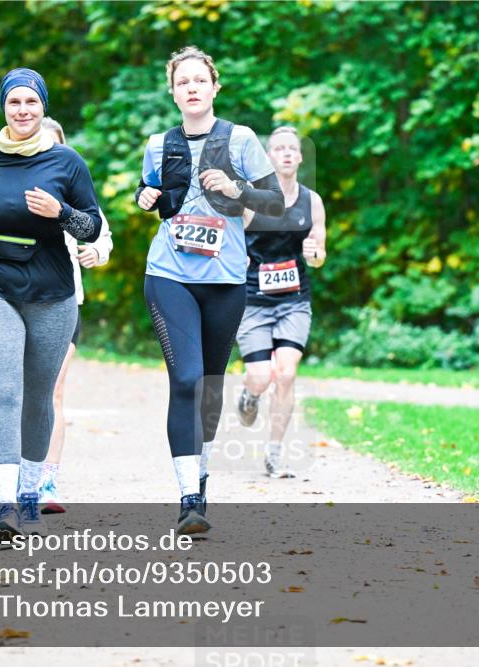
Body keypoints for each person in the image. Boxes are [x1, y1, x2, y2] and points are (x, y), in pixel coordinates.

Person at [135, 46, 284, 534]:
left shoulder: (239, 139)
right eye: (183, 82)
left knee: (211, 386)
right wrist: (145, 197)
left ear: (214, 87)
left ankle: (200, 478)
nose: (192, 88)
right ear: (173, 91)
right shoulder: (159, 143)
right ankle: (187, 498)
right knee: (187, 379)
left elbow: (276, 202)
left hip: (224, 280)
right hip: (169, 273)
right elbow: (148, 193)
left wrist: (237, 188)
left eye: (200, 80)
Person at [0, 68, 102, 540]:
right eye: (14, 103)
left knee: (38, 396)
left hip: (53, 292)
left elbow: (92, 226)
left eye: (31, 103)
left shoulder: (67, 162)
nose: (22, 111)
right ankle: (5, 506)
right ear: (4, 108)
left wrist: (63, 214)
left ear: (43, 108)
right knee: (6, 392)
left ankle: (31, 494)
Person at [235, 126, 327, 478]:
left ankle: (274, 454)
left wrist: (315, 252)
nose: (287, 154)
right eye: (279, 149)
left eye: (293, 149)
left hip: (294, 301)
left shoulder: (311, 201)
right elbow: (230, 243)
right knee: (261, 376)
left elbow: (319, 256)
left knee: (286, 374)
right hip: (253, 301)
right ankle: (250, 394)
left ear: (300, 157)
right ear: (269, 157)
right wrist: (238, 256)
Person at [36, 117, 114, 515]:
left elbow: (102, 234)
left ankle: (46, 483)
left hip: (66, 300)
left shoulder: (74, 188)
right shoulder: (7, 182)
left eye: (54, 148)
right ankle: (17, 476)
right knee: (16, 393)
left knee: (53, 391)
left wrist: (95, 253)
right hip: (14, 301)